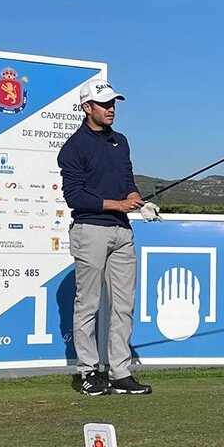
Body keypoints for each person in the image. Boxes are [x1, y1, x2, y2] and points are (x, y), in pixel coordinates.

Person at [57, 79, 159, 396]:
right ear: (87, 108)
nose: (111, 108)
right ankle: (88, 371)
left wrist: (137, 200)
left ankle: (119, 372)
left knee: (123, 306)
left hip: (122, 230)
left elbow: (127, 179)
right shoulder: (73, 148)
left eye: (113, 103)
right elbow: (75, 197)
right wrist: (119, 204)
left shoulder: (121, 141)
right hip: (91, 230)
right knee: (88, 305)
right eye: (104, 104)